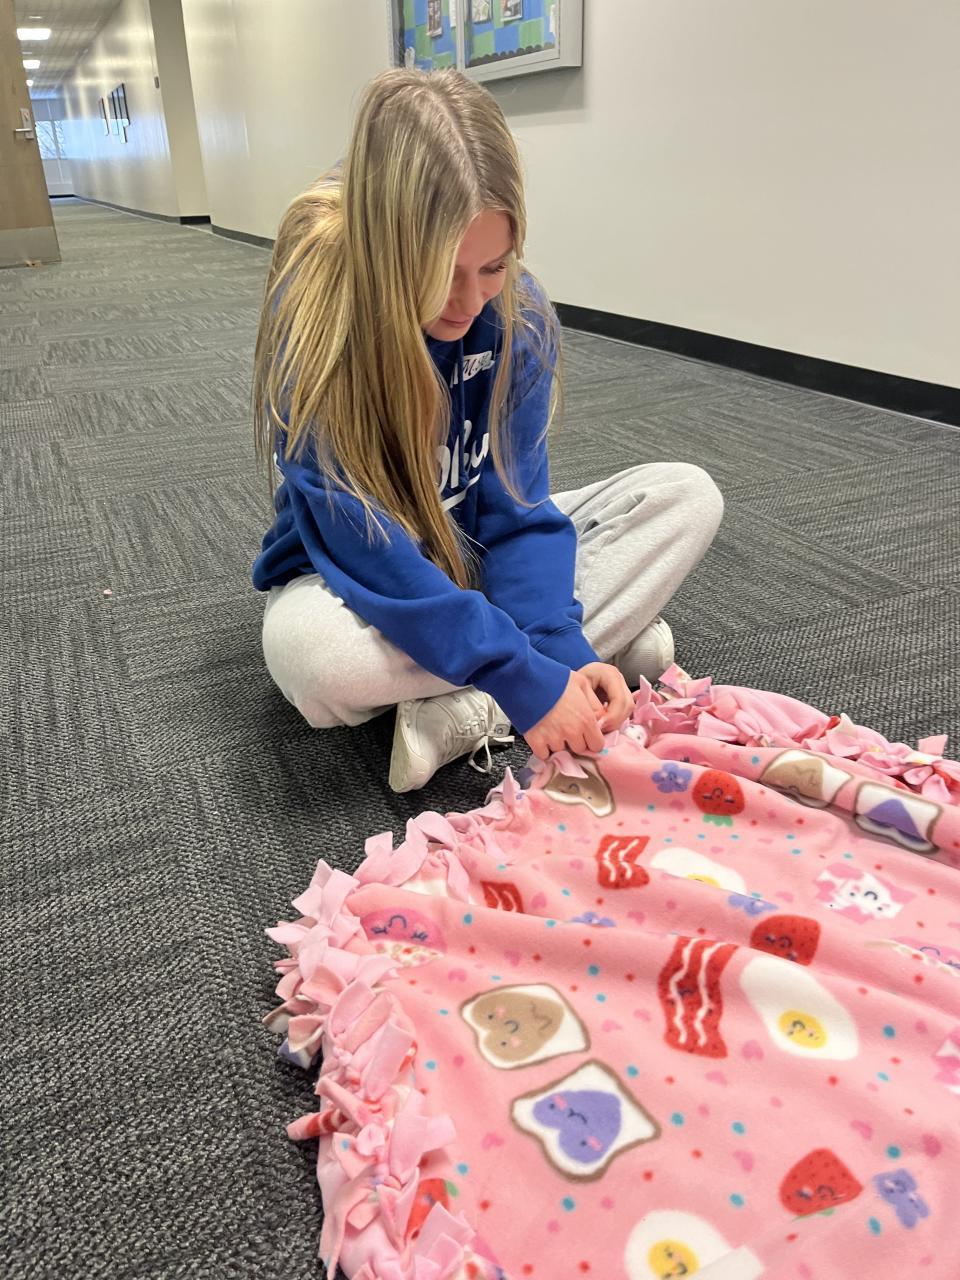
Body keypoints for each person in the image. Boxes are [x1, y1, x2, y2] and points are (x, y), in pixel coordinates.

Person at [251, 68, 723, 793]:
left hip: (470, 547)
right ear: (385, 253)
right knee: (317, 663)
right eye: (441, 272)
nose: (469, 302)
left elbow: (516, 513)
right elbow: (366, 550)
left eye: (494, 267)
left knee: (686, 496)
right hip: (353, 572)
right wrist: (519, 671)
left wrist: (558, 648)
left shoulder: (517, 314)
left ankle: (485, 700)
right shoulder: (317, 317)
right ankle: (556, 669)